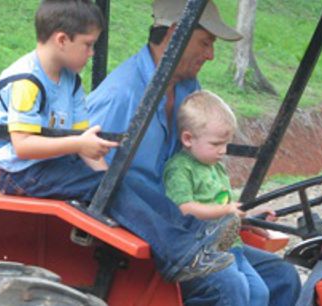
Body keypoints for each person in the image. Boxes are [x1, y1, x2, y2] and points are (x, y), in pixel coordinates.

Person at [0, 0, 238, 284]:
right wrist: (80, 148)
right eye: (88, 44)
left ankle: (194, 235)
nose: (92, 53)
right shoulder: (27, 81)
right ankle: (179, 256)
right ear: (62, 40)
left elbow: (83, 137)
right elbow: (23, 147)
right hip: (20, 173)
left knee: (123, 182)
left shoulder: (71, 81)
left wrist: (108, 175)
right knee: (109, 185)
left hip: (51, 164)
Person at [88, 0, 301, 305]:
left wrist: (227, 210)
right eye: (205, 42)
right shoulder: (120, 96)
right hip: (145, 227)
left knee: (281, 276)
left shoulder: (189, 89)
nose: (211, 55)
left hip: (185, 223)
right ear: (176, 34)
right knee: (227, 286)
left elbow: (193, 171)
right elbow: (91, 183)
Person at [164, 90, 271, 306]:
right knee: (234, 288)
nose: (223, 151)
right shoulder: (180, 169)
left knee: (260, 293)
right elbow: (183, 208)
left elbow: (226, 206)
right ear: (188, 139)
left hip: (232, 245)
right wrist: (226, 211)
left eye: (226, 144)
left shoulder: (216, 169)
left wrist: (251, 219)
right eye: (215, 144)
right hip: (203, 249)